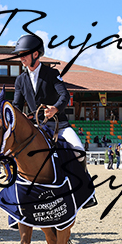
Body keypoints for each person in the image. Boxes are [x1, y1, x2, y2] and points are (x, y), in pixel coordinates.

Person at [12, 34, 96, 207]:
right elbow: (17, 105)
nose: (21, 58)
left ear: (35, 54)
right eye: (19, 55)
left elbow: (64, 95)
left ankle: (85, 191)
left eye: (24, 54)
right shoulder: (20, 80)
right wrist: (17, 117)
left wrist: (55, 108)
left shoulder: (51, 73)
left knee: (79, 151)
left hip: (58, 124)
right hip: (35, 126)